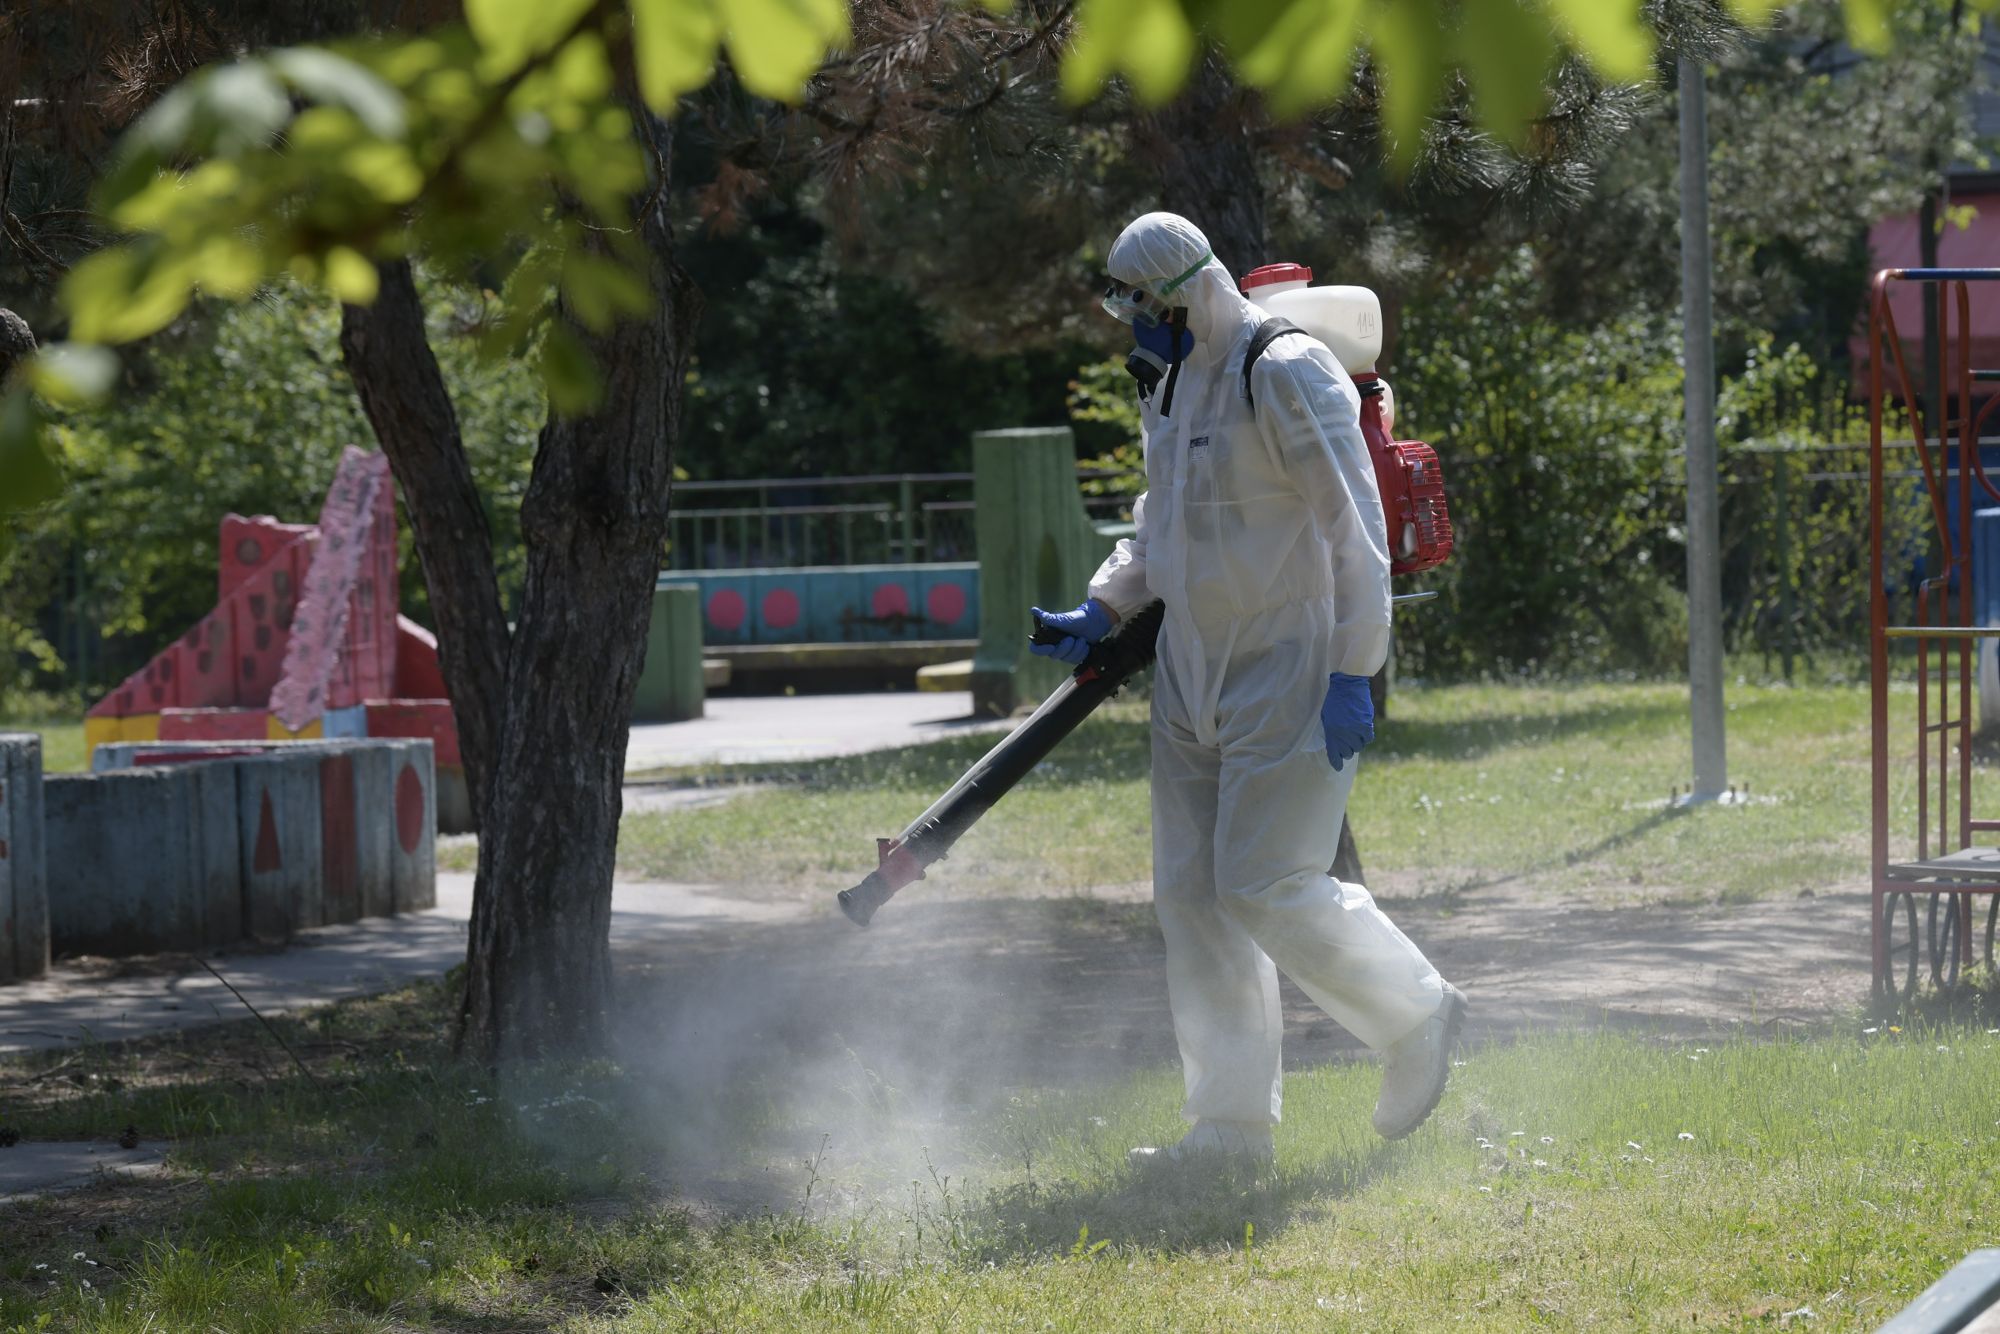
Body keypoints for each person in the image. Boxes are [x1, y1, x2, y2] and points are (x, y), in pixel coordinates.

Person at [1031, 212, 1465, 1164]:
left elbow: (1352, 532)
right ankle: (1228, 1127)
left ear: (1182, 292)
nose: (1127, 323)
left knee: (1266, 884)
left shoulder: (1285, 368)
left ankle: (1418, 1014)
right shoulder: (1171, 383)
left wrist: (1355, 671)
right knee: (1190, 895)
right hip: (1192, 664)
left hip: (1291, 656)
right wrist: (1105, 606)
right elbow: (1162, 523)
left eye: (1135, 303)